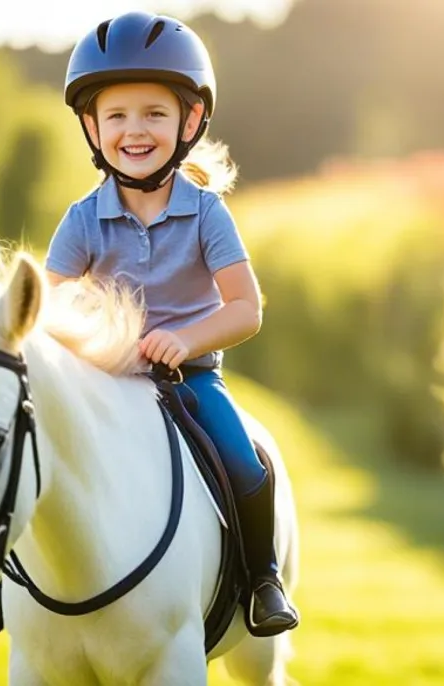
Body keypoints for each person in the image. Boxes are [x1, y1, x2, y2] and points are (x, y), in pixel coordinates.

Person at [44, 10, 298, 637]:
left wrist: (185, 339)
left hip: (190, 380)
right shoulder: (81, 220)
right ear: (91, 127)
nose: (135, 130)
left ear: (189, 122)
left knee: (247, 461)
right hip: (105, 382)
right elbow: (43, 307)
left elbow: (246, 308)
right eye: (117, 115)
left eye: (154, 113)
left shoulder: (207, 213)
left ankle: (262, 577)